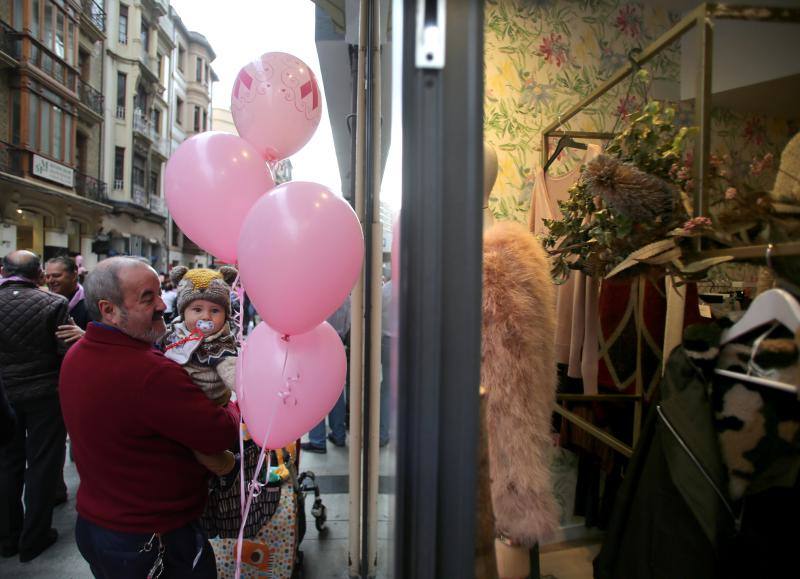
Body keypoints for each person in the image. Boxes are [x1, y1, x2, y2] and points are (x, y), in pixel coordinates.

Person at [59, 257, 240, 578]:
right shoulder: (150, 372)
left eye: (159, 293)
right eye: (147, 298)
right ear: (108, 310)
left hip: (102, 526)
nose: (161, 304)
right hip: (154, 536)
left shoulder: (79, 353)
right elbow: (220, 433)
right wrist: (233, 402)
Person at [0, 250, 70, 562]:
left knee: (6, 463)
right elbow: (62, 352)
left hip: (5, 394)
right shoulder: (54, 303)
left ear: (3, 271)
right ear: (39, 275)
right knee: (42, 465)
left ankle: (7, 537)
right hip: (45, 395)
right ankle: (34, 537)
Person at [160, 266, 239, 476]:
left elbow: (232, 371)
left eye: (215, 310)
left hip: (208, 404)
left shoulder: (220, 343)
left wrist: (248, 389)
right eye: (197, 310)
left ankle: (225, 465)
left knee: (200, 446)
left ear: (225, 315)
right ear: (183, 312)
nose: (206, 317)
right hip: (178, 401)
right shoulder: (174, 332)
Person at [45, 255, 87, 504]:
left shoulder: (90, 303)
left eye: (56, 276)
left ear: (74, 275)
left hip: (83, 382)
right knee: (54, 441)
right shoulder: (45, 302)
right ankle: (56, 487)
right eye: (47, 276)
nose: (51, 280)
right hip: (53, 381)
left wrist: (87, 335)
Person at [302, 296, 351, 453]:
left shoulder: (318, 296)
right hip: (339, 346)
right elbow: (349, 325)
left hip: (318, 346)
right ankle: (339, 435)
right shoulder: (346, 298)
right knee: (337, 392)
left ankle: (318, 440)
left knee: (315, 394)